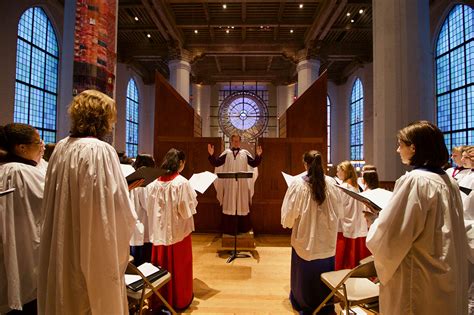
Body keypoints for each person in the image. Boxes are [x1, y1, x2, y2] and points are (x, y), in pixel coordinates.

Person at [38, 90, 137, 315]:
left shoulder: (60, 148)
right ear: (102, 118)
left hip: (63, 239)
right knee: (91, 295)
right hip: (91, 242)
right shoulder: (100, 151)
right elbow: (113, 209)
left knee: (67, 294)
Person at [366, 120, 468, 314]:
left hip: (419, 275)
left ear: (413, 148)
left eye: (400, 145)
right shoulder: (448, 181)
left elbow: (392, 235)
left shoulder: (416, 180)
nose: (397, 150)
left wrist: (374, 222)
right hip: (443, 272)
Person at [281, 150, 343, 315]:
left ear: (305, 165)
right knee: (324, 274)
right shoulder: (332, 182)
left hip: (306, 240)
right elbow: (340, 212)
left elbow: (288, 217)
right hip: (326, 241)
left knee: (305, 276)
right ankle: (325, 303)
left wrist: (289, 222)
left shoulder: (298, 184)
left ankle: (305, 303)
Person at [0, 123, 45, 314]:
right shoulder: (24, 172)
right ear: (21, 148)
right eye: (38, 141)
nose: (43, 145)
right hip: (26, 254)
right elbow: (58, 202)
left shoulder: (5, 169)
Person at [147, 148, 197, 311]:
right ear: (180, 163)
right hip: (178, 235)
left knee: (160, 265)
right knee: (179, 267)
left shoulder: (154, 183)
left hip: (159, 234)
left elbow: (149, 208)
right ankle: (179, 299)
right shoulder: (181, 183)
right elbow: (185, 211)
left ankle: (159, 300)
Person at [208, 134, 262, 234]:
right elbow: (217, 163)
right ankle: (229, 229)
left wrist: (258, 156)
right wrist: (211, 155)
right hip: (230, 184)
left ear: (240, 142)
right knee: (230, 202)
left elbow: (254, 164)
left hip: (242, 184)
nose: (236, 143)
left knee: (242, 203)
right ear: (231, 142)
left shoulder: (245, 153)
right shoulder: (227, 153)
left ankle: (243, 228)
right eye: (234, 141)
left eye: (238, 141)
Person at [335, 161, 371, 270]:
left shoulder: (344, 186)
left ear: (345, 172)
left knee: (345, 254)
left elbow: (338, 205)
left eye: (338, 171)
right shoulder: (355, 185)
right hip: (355, 221)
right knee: (355, 252)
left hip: (345, 222)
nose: (337, 173)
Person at [130, 153, 156, 266]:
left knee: (135, 250)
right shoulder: (144, 181)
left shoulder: (133, 177)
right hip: (144, 222)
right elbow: (147, 204)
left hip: (135, 220)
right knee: (143, 257)